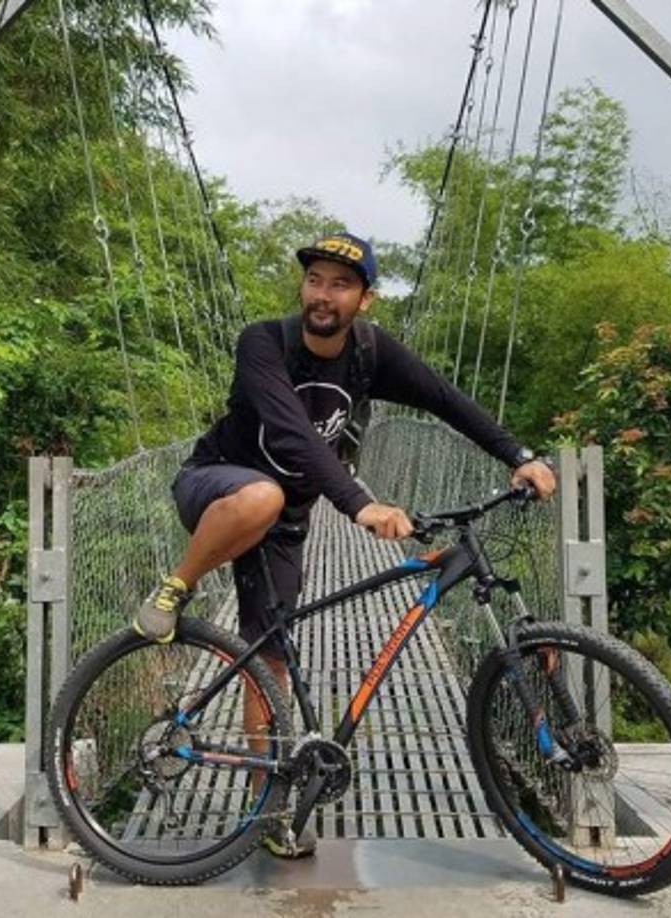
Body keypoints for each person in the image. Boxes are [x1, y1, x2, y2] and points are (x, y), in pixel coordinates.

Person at [133, 231, 556, 858]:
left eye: (340, 284)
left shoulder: (368, 352)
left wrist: (516, 454)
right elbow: (295, 436)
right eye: (314, 280)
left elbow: (444, 399)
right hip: (218, 487)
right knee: (262, 496)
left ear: (365, 299)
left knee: (268, 655)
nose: (322, 295)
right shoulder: (262, 343)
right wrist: (361, 504)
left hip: (288, 517)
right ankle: (175, 587)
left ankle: (266, 811)